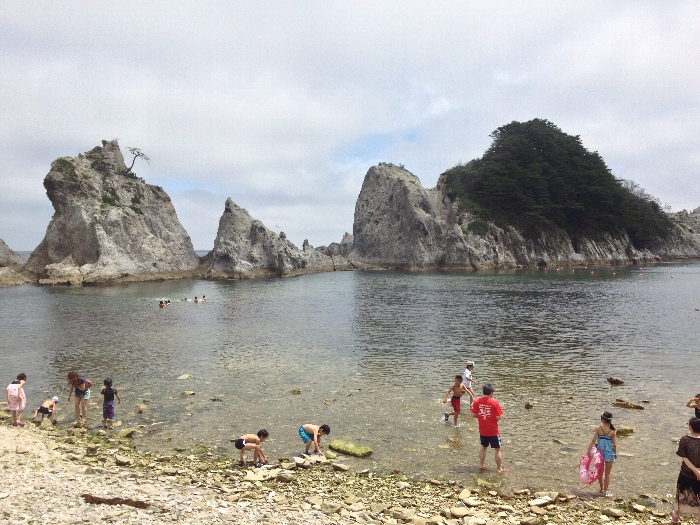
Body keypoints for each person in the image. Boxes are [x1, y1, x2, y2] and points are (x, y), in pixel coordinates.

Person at [470, 383, 507, 472]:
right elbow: (498, 417)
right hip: (493, 430)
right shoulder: (494, 402)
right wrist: (492, 419)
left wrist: (481, 417)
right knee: (498, 449)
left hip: (482, 430)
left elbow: (472, 414)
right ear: (491, 393)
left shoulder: (477, 401)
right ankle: (499, 468)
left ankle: (481, 465)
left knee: (483, 447)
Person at [672, 417, 700, 523]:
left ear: (690, 427)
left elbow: (684, 457)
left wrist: (695, 470)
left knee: (680, 495)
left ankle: (675, 519)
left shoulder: (685, 439)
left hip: (686, 473)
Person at [586, 411, 617, 496]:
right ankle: (605, 492)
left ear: (603, 419)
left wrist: (588, 451)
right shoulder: (613, 431)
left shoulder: (598, 428)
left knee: (600, 472)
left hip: (600, 453)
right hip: (609, 453)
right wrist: (615, 453)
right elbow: (614, 445)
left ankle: (601, 488)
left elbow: (593, 441)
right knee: (607, 474)